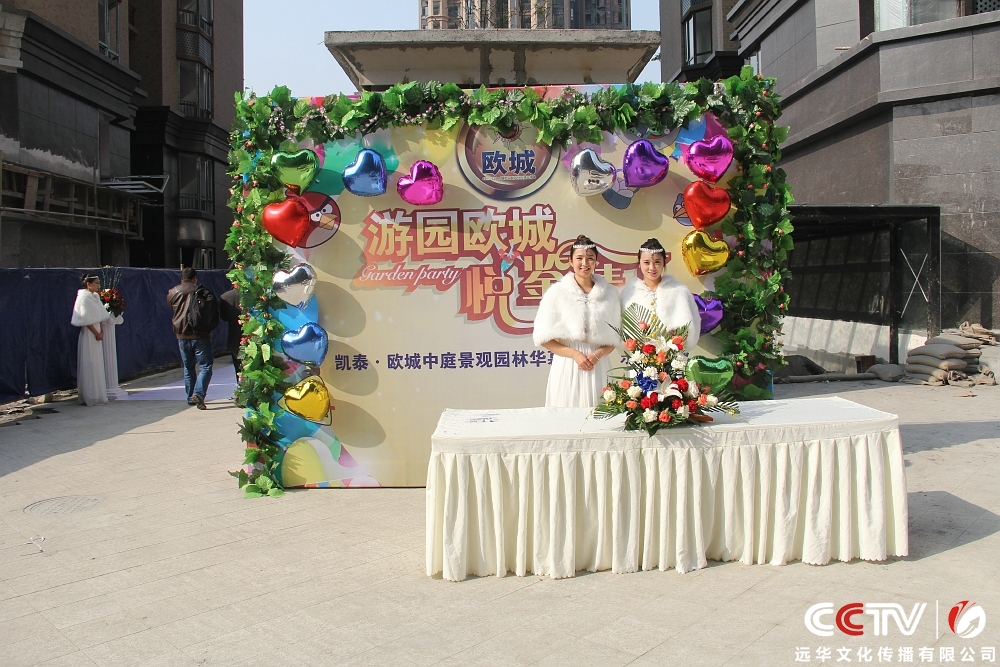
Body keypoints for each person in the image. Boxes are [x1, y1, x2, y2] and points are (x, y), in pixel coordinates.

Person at [533, 234, 621, 408]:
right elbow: (544, 338)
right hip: (568, 365)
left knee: (599, 412)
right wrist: (575, 354)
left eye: (590, 258)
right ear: (570, 261)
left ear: (596, 262)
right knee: (566, 413)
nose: (585, 263)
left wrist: (598, 354)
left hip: (598, 364)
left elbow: (614, 338)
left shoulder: (610, 293)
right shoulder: (557, 292)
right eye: (579, 258)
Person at [619, 237, 701, 349]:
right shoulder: (628, 293)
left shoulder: (679, 291)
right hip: (638, 357)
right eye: (646, 262)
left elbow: (690, 328)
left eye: (657, 262)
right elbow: (622, 331)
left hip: (673, 356)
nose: (652, 267)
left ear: (664, 263)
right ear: (639, 264)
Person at [167, 267, 219, 409]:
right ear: (195, 278)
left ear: (181, 278)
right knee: (205, 366)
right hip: (201, 334)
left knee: (188, 367)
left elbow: (173, 309)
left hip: (181, 334)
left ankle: (191, 396)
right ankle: (199, 393)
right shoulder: (201, 291)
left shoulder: (173, 292)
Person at [71, 274, 112, 406]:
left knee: (97, 362)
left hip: (97, 331)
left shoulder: (95, 297)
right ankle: (90, 395)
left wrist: (101, 331)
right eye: (96, 283)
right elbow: (86, 319)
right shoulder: (83, 298)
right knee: (90, 361)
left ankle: (99, 394)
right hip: (89, 333)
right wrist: (96, 333)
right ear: (88, 284)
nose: (98, 285)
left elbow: (100, 316)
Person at [219, 288, 242, 373]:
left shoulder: (225, 297)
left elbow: (223, 317)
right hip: (252, 336)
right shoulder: (252, 295)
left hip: (234, 336)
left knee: (238, 368)